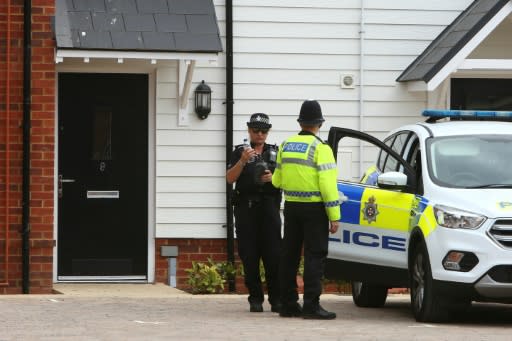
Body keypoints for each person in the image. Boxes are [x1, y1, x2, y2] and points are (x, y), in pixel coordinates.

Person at [272, 100, 340, 320]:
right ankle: (311, 305)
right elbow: (328, 186)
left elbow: (276, 180)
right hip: (314, 210)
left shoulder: (285, 145)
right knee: (314, 256)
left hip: (291, 207)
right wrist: (334, 216)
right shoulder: (322, 148)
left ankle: (288, 304)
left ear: (301, 122)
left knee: (289, 256)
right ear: (319, 123)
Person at [226, 113, 282, 313]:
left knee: (273, 256)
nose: (260, 134)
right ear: (249, 131)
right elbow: (230, 179)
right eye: (256, 130)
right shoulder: (240, 152)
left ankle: (276, 299)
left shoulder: (277, 152)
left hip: (269, 208)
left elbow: (286, 180)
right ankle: (255, 298)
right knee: (249, 256)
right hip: (246, 209)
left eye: (264, 131)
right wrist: (242, 161)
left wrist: (273, 179)